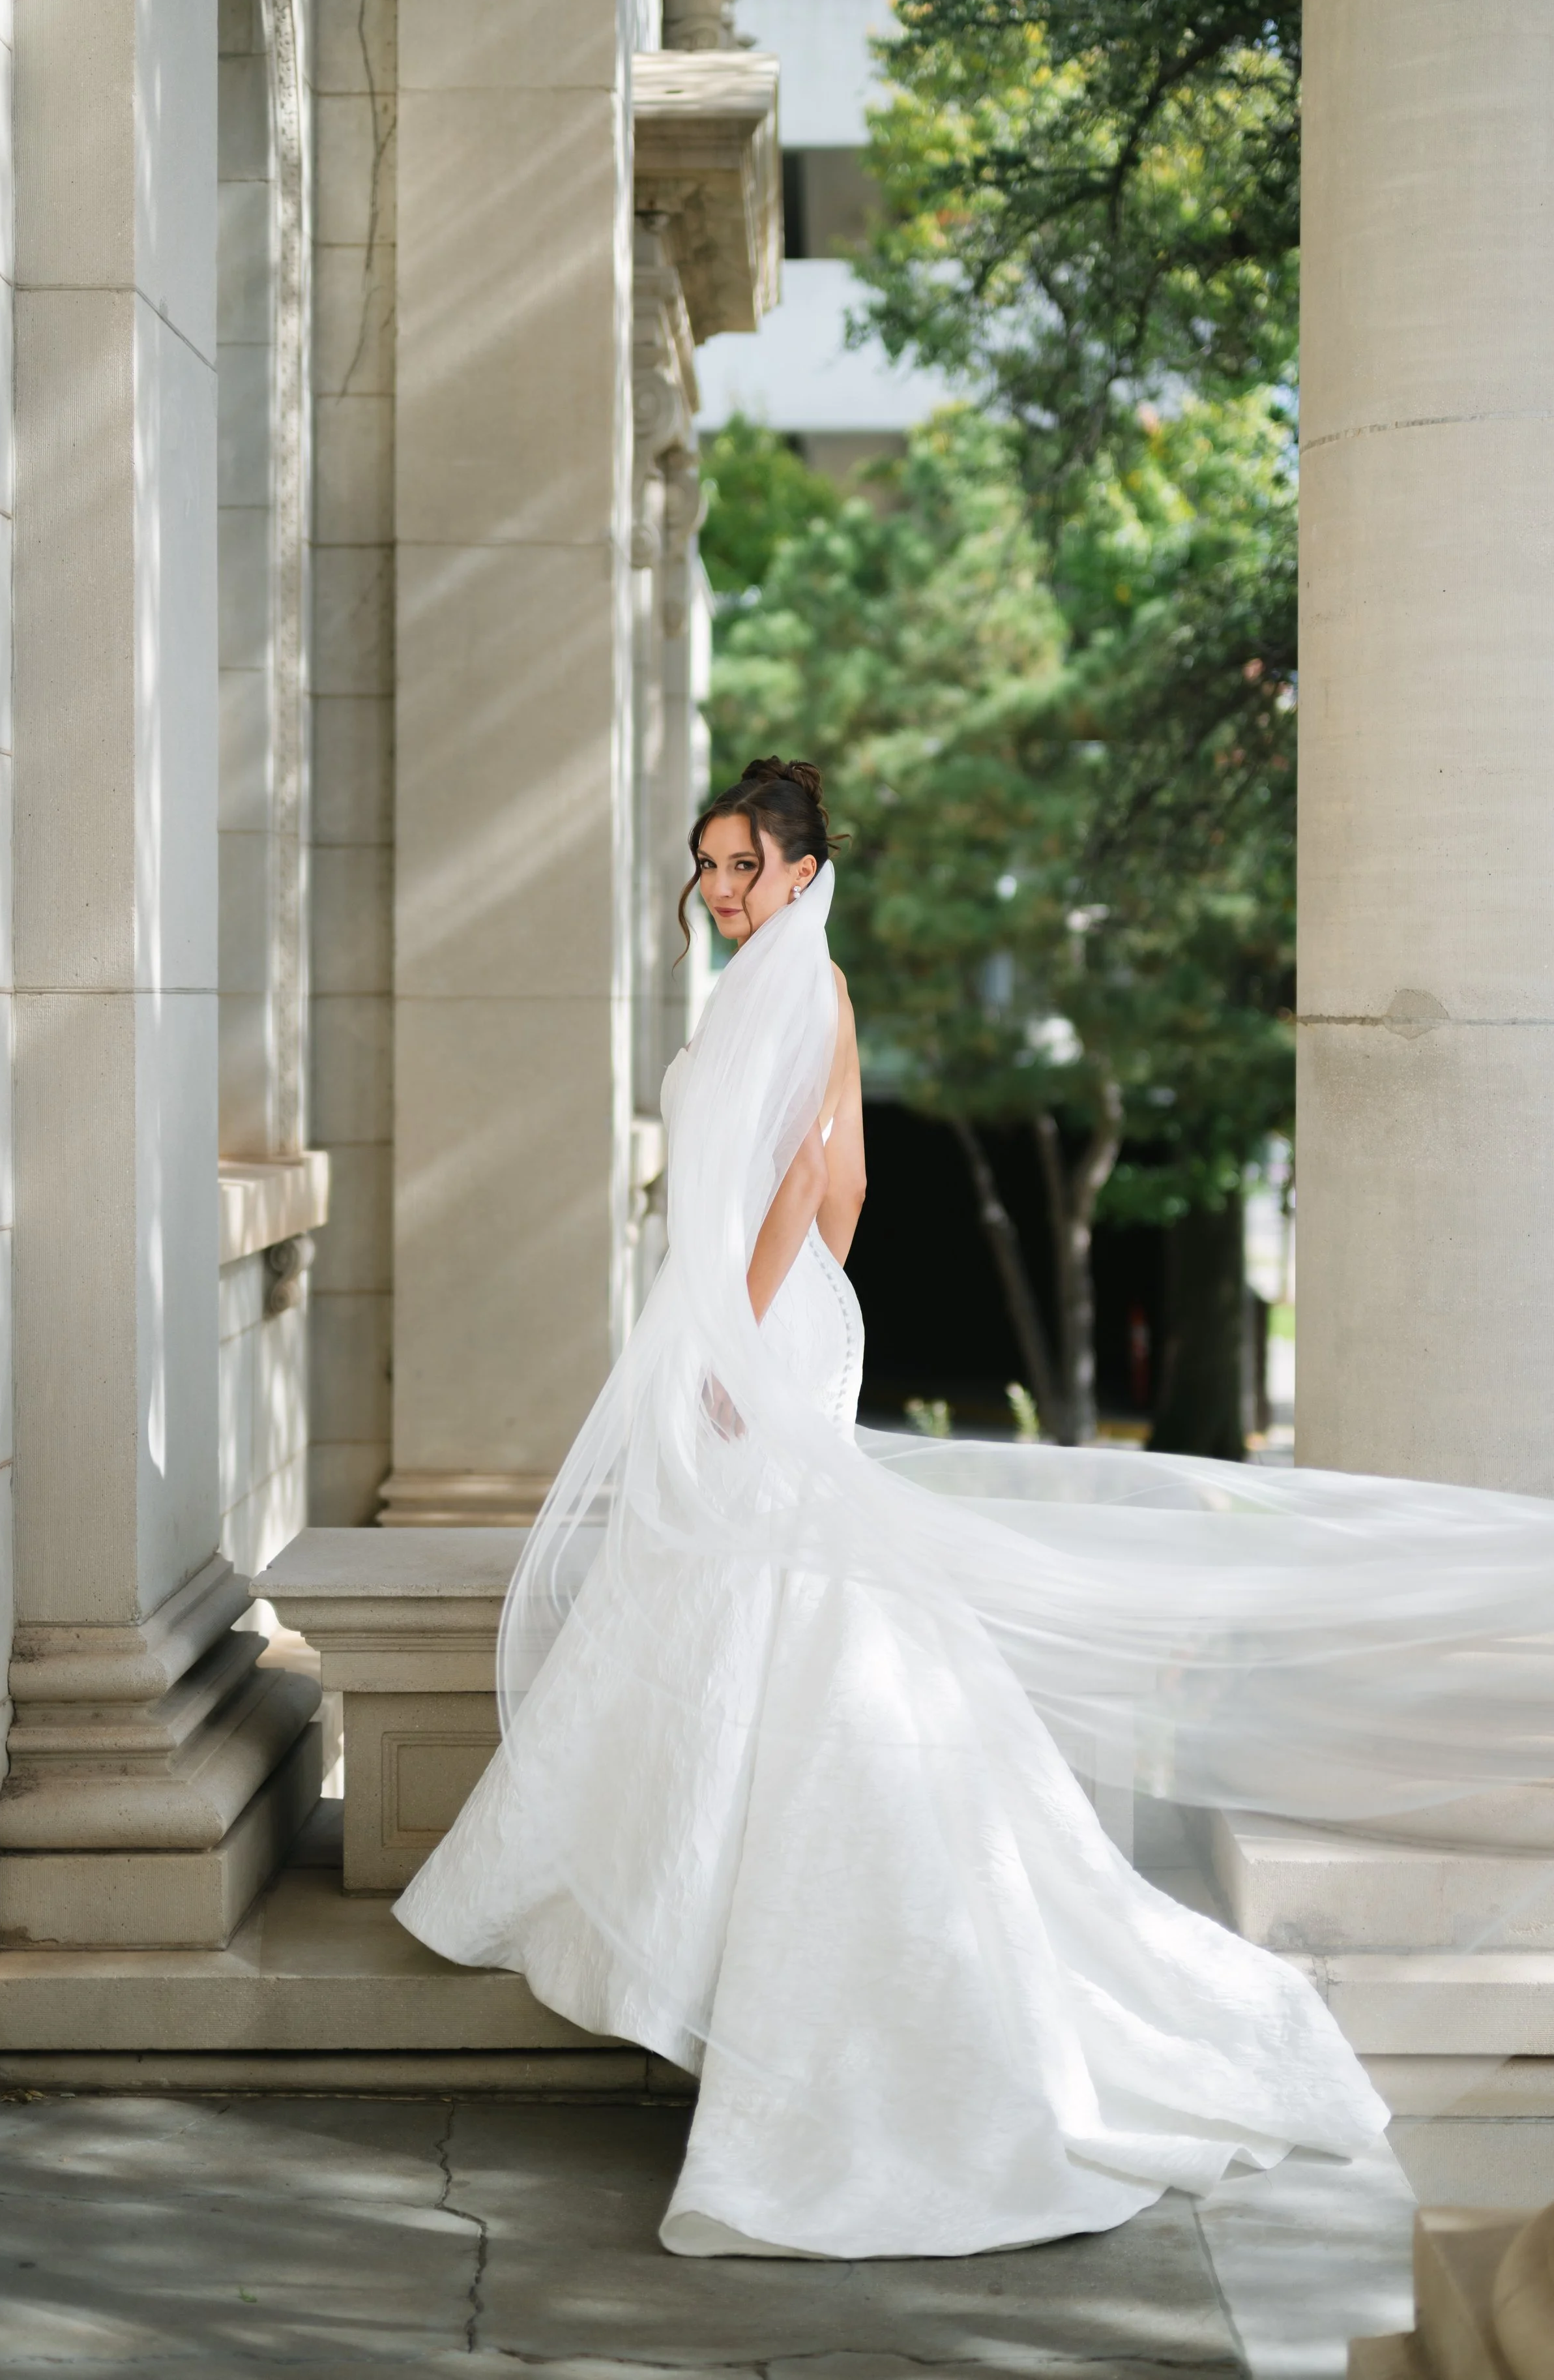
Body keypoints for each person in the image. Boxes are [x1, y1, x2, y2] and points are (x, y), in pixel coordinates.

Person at [396, 758, 1554, 2260]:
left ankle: (773, 1948)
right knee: (737, 1594)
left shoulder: (792, 989)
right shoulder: (788, 988)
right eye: (707, 868)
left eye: (743, 866)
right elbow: (852, 1192)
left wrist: (741, 1338)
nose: (719, 891)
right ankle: (678, 1903)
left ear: (803, 869)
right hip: (779, 1315)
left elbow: (813, 1170)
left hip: (754, 1329)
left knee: (776, 1596)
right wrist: (788, 1312)